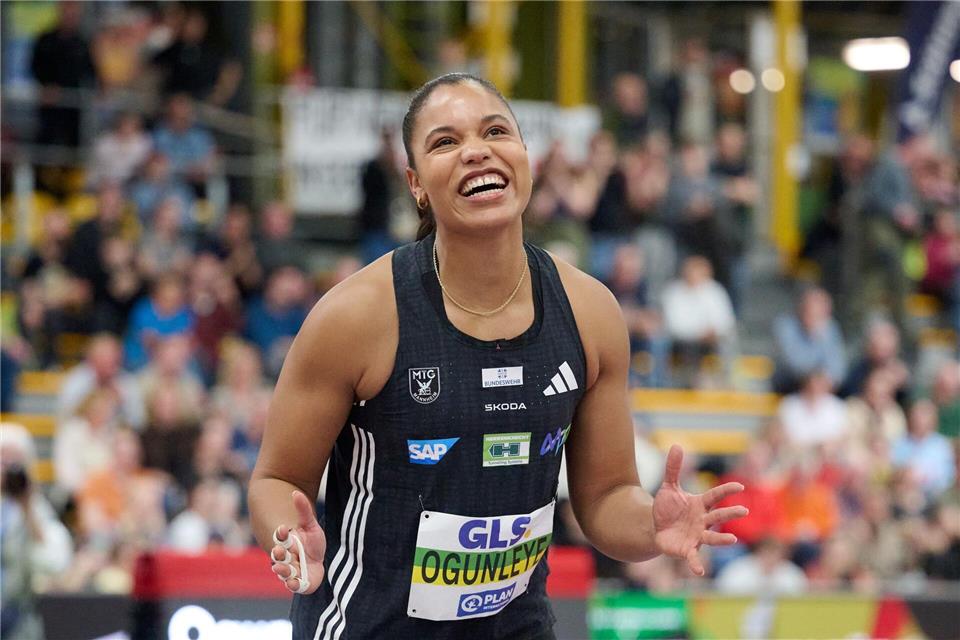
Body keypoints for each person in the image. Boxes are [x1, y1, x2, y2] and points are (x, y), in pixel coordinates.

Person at [248, 73, 747, 639]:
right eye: (445, 142)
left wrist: (649, 526)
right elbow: (276, 478)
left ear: (525, 156)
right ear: (415, 184)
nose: (476, 151)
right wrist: (290, 540)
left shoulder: (591, 311)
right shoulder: (356, 316)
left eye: (496, 131)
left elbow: (606, 497)